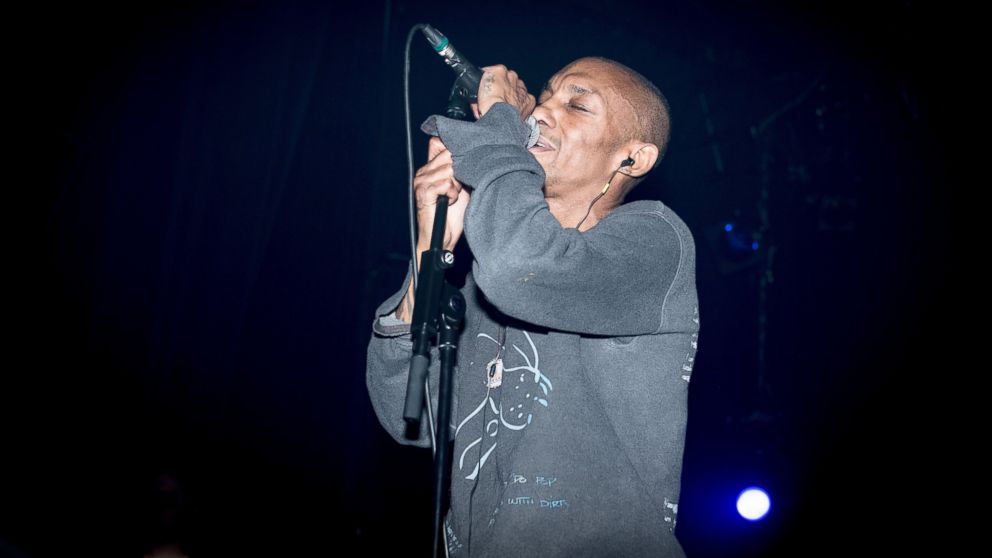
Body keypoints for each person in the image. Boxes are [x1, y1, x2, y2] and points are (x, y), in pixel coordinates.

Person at [366, 57, 699, 557]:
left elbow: (522, 267)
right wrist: (427, 251)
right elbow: (410, 415)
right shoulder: (494, 275)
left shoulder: (654, 241)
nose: (541, 113)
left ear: (633, 158)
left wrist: (499, 122)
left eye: (577, 105)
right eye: (542, 99)